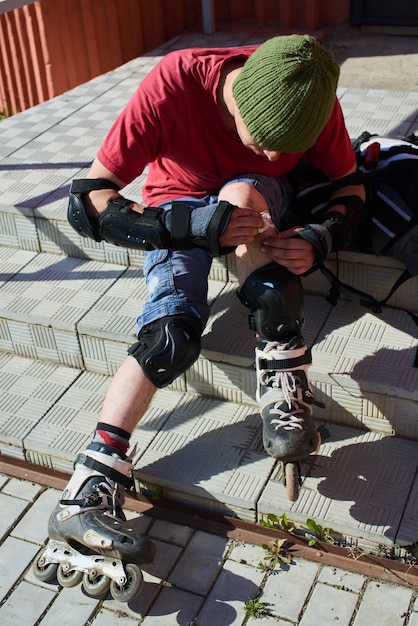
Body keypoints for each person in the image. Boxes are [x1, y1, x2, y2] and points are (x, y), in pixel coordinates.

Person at [41, 35, 367, 593]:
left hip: (255, 203)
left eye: (283, 148)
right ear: (239, 100)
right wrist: (186, 228)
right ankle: (91, 480)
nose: (271, 155)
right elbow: (87, 198)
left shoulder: (314, 97)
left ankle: (284, 388)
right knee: (170, 337)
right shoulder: (173, 83)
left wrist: (321, 236)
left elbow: (351, 184)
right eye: (263, 139)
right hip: (177, 205)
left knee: (248, 203)